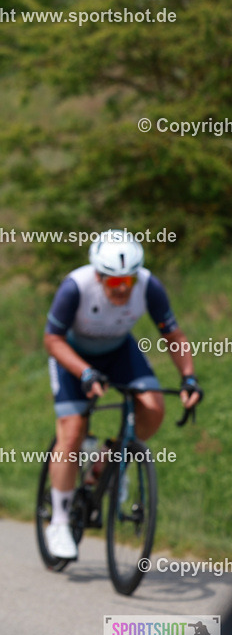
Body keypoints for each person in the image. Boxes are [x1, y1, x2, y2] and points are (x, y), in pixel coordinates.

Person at [42, 229, 202, 560]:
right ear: (99, 276)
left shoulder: (149, 286)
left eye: (127, 283)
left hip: (119, 351)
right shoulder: (75, 287)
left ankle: (112, 463)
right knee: (71, 434)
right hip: (74, 355)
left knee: (153, 408)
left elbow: (173, 334)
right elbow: (52, 340)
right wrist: (84, 372)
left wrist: (188, 378)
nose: (122, 290)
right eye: (114, 283)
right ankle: (58, 521)